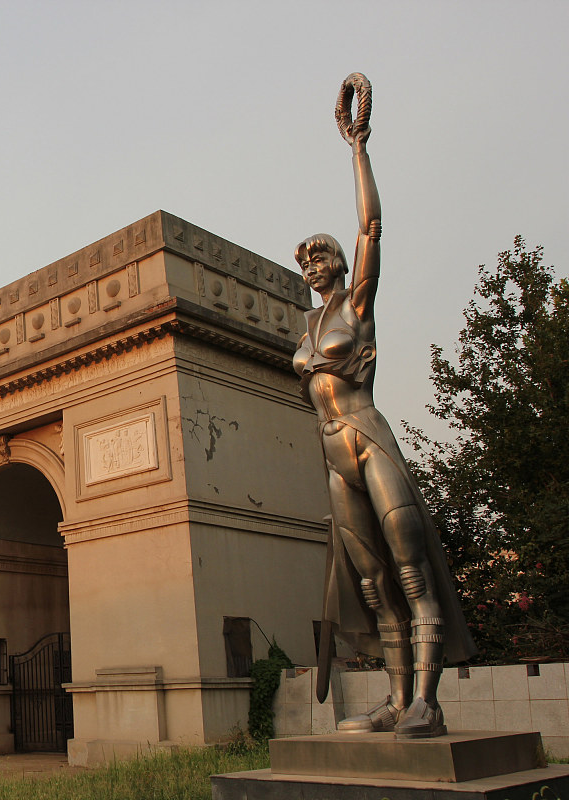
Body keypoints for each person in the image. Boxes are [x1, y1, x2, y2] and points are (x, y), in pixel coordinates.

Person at [292, 73, 475, 738]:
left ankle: (427, 700)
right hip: (331, 454)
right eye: (307, 262)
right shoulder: (307, 329)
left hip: (367, 438)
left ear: (342, 266)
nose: (314, 266)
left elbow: (371, 224)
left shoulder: (354, 308)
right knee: (373, 588)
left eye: (323, 256)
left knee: (410, 568)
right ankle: (399, 702)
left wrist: (357, 148)